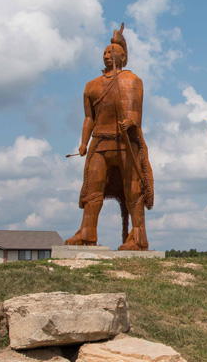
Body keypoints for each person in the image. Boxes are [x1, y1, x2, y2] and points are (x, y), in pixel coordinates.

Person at [65, 24, 154, 250]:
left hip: (125, 144)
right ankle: (86, 234)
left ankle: (138, 237)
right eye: (105, 52)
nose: (107, 55)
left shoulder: (132, 80)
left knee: (134, 191)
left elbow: (136, 111)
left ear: (123, 56)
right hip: (100, 143)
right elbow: (89, 118)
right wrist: (84, 142)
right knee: (92, 192)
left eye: (112, 52)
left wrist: (131, 120)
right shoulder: (91, 86)